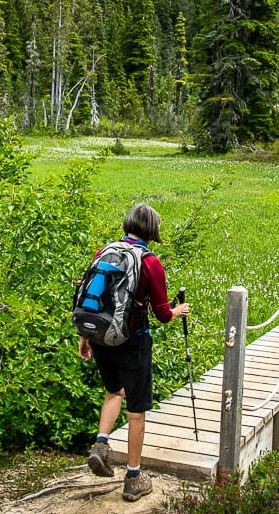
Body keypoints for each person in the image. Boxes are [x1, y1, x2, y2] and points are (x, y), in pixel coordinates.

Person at [78, 203, 190, 502]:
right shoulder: (150, 262)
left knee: (114, 392)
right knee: (136, 412)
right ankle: (133, 477)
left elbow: (91, 297)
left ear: (127, 223)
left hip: (101, 335)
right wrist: (178, 311)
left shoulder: (105, 251)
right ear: (153, 229)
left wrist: (85, 336)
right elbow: (163, 314)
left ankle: (101, 444)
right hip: (133, 341)